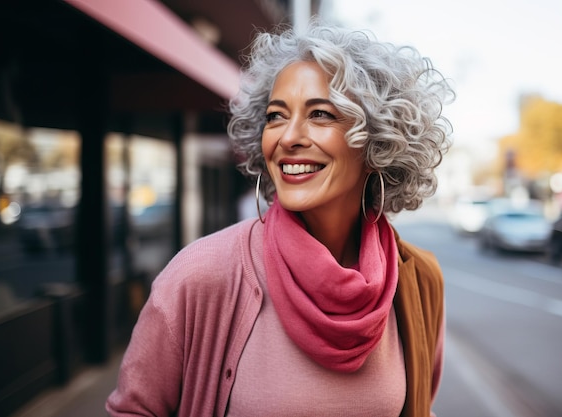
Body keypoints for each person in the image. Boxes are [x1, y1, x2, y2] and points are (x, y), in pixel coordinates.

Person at [106, 20, 454, 417]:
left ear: (378, 142)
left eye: (320, 114)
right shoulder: (199, 276)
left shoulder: (419, 279)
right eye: (276, 116)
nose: (288, 138)